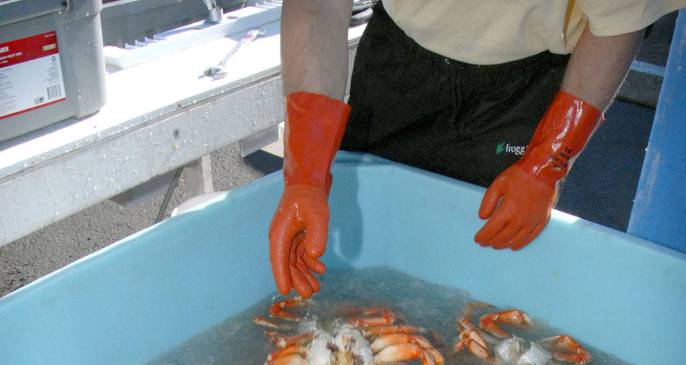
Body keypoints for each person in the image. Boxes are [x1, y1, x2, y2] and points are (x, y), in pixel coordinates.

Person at [269, 0, 684, 298]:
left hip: (528, 83)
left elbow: (618, 20)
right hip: (398, 59)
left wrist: (547, 162)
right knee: (349, 263)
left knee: (490, 284)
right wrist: (305, 175)